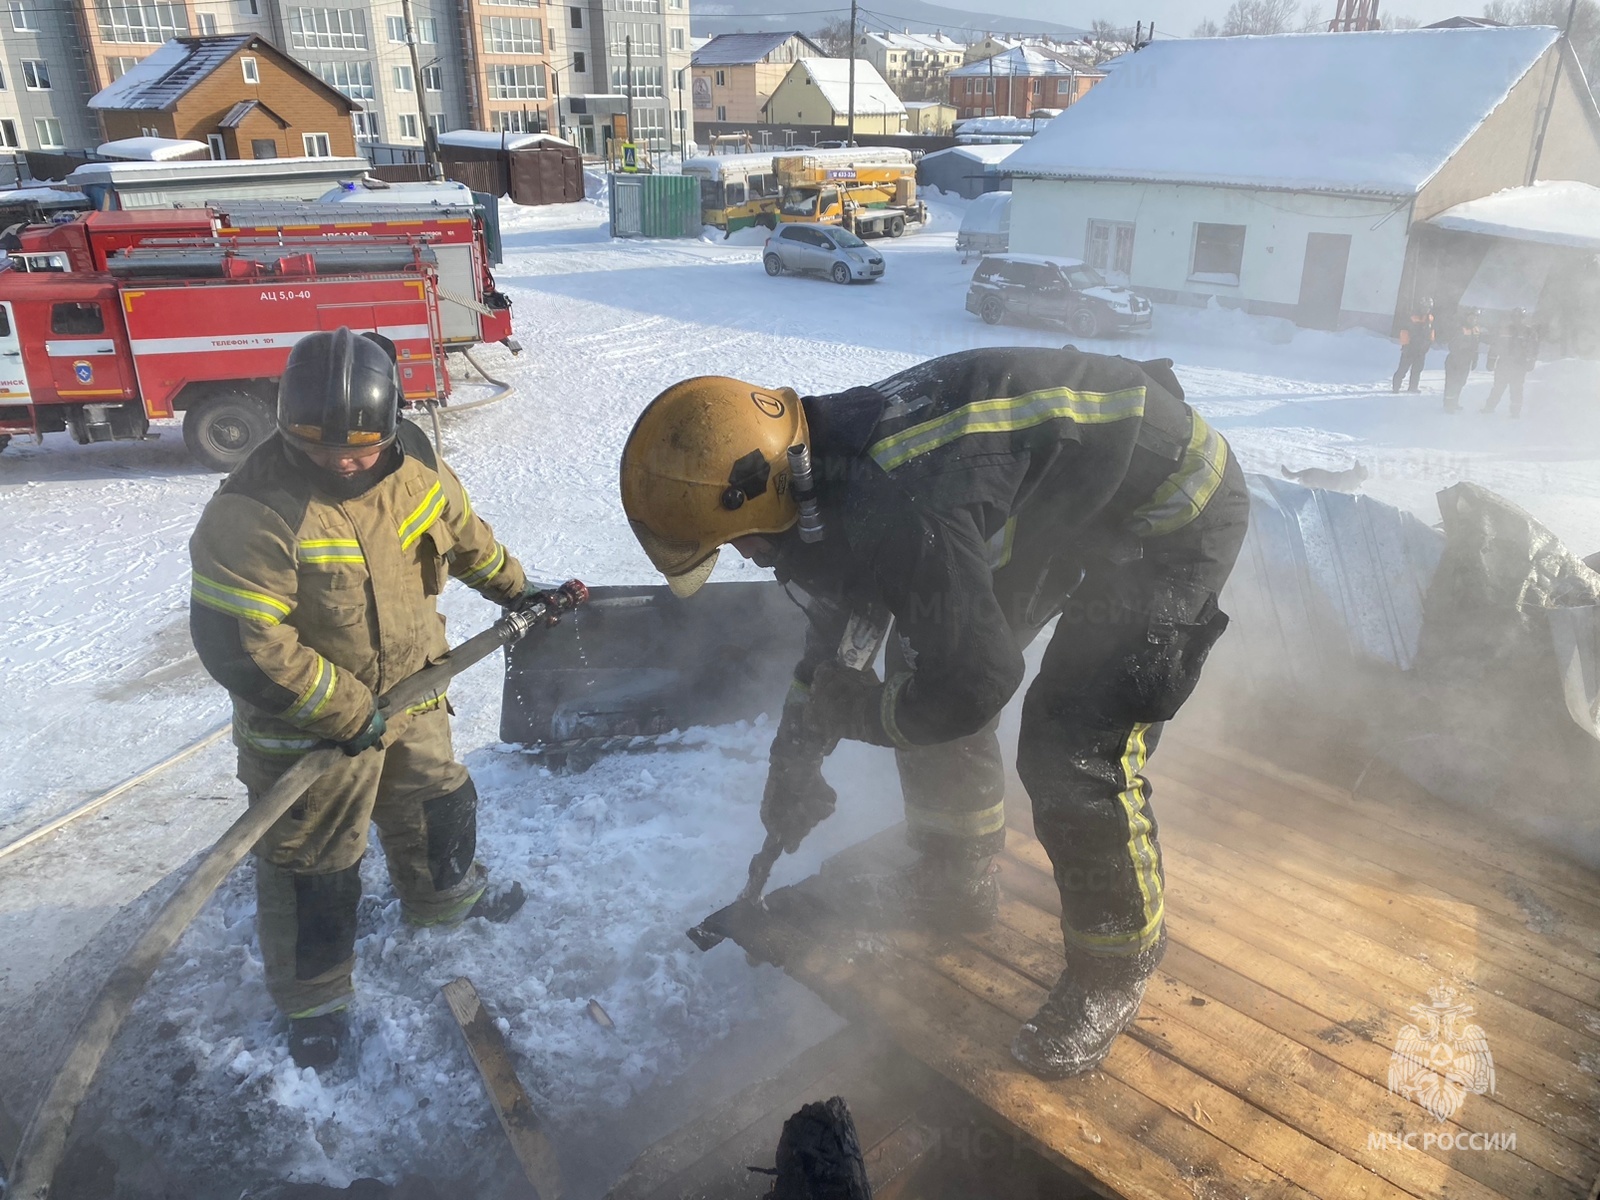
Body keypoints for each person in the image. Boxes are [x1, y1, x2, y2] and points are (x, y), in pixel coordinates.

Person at [619, 347, 1249, 1080]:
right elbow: (841, 630)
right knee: (924, 663)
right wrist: (793, 754)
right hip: (1065, 500)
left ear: (757, 499)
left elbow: (978, 682)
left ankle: (1114, 968)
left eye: (738, 542)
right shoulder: (812, 472)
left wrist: (861, 716)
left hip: (1169, 507)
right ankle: (956, 875)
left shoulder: (900, 499)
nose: (749, 558)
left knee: (1071, 744)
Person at [189, 328, 549, 1069]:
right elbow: (241, 643)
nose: (342, 461)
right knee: (312, 867)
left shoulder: (414, 463)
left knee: (437, 802)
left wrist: (520, 590)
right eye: (320, 447)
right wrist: (344, 711)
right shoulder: (255, 510)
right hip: (309, 732)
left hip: (414, 698)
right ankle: (315, 997)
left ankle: (443, 899)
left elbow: (466, 539)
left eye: (360, 447)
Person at [1483, 308, 1540, 418]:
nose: (1517, 319)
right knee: (1498, 388)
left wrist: (1531, 362)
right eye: (1515, 317)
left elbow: (1534, 348)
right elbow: (1495, 345)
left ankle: (1515, 412)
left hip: (1519, 366)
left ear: (1523, 318)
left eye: (1519, 317)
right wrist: (1491, 360)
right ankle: (1489, 408)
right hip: (1504, 364)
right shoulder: (1504, 330)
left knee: (1516, 390)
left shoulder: (1529, 332)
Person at [1441, 307, 1481, 413]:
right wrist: (1463, 348)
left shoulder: (1476, 330)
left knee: (1461, 382)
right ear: (1467, 317)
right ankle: (1448, 405)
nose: (1473, 320)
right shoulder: (1459, 328)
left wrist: (1475, 359)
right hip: (1454, 361)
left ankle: (1454, 402)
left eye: (1475, 318)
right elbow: (1452, 345)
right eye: (1471, 317)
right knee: (1451, 383)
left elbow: (1476, 347)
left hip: (1466, 362)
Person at [1391, 296, 1434, 393]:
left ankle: (1413, 387)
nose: (1426, 309)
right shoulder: (1412, 316)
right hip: (1410, 348)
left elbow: (1431, 333)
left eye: (1428, 307)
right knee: (1403, 369)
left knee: (1417, 369)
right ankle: (1396, 387)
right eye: (1424, 307)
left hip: (1421, 350)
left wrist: (1428, 344)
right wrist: (1406, 346)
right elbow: (1404, 332)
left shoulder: (1430, 318)